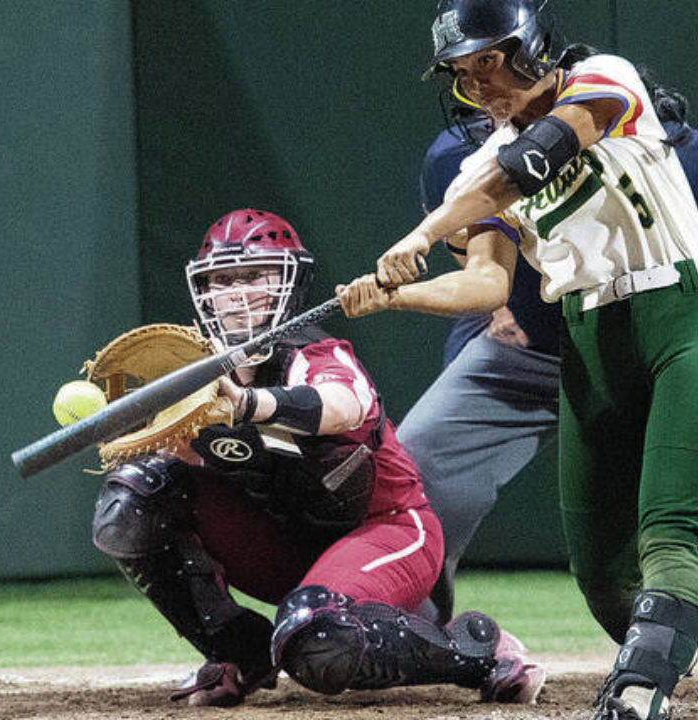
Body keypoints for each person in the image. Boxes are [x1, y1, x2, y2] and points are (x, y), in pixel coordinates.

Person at [338, 1, 698, 717]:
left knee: (670, 525)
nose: (483, 85)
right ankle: (659, 649)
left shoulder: (604, 78)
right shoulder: (473, 164)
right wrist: (392, 297)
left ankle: (640, 687)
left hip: (682, 312)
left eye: (491, 62)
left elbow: (534, 160)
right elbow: (487, 282)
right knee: (597, 565)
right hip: (589, 337)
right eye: (466, 76)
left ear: (530, 47)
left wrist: (426, 229)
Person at [399, 69, 698, 687]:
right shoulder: (460, 158)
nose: (489, 101)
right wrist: (492, 306)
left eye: (501, 77)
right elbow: (481, 265)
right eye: (471, 85)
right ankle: (405, 629)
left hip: (662, 336)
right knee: (419, 455)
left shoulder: (630, 120)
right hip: (534, 349)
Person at [90, 208, 545, 708]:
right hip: (282, 540)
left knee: (319, 642)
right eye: (223, 280)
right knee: (132, 501)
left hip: (385, 530)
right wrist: (151, 439)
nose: (237, 295)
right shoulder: (193, 378)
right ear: (203, 290)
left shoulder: (317, 352)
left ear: (289, 282)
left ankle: (477, 648)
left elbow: (341, 406)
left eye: (254, 276)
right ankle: (238, 653)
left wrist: (247, 405)